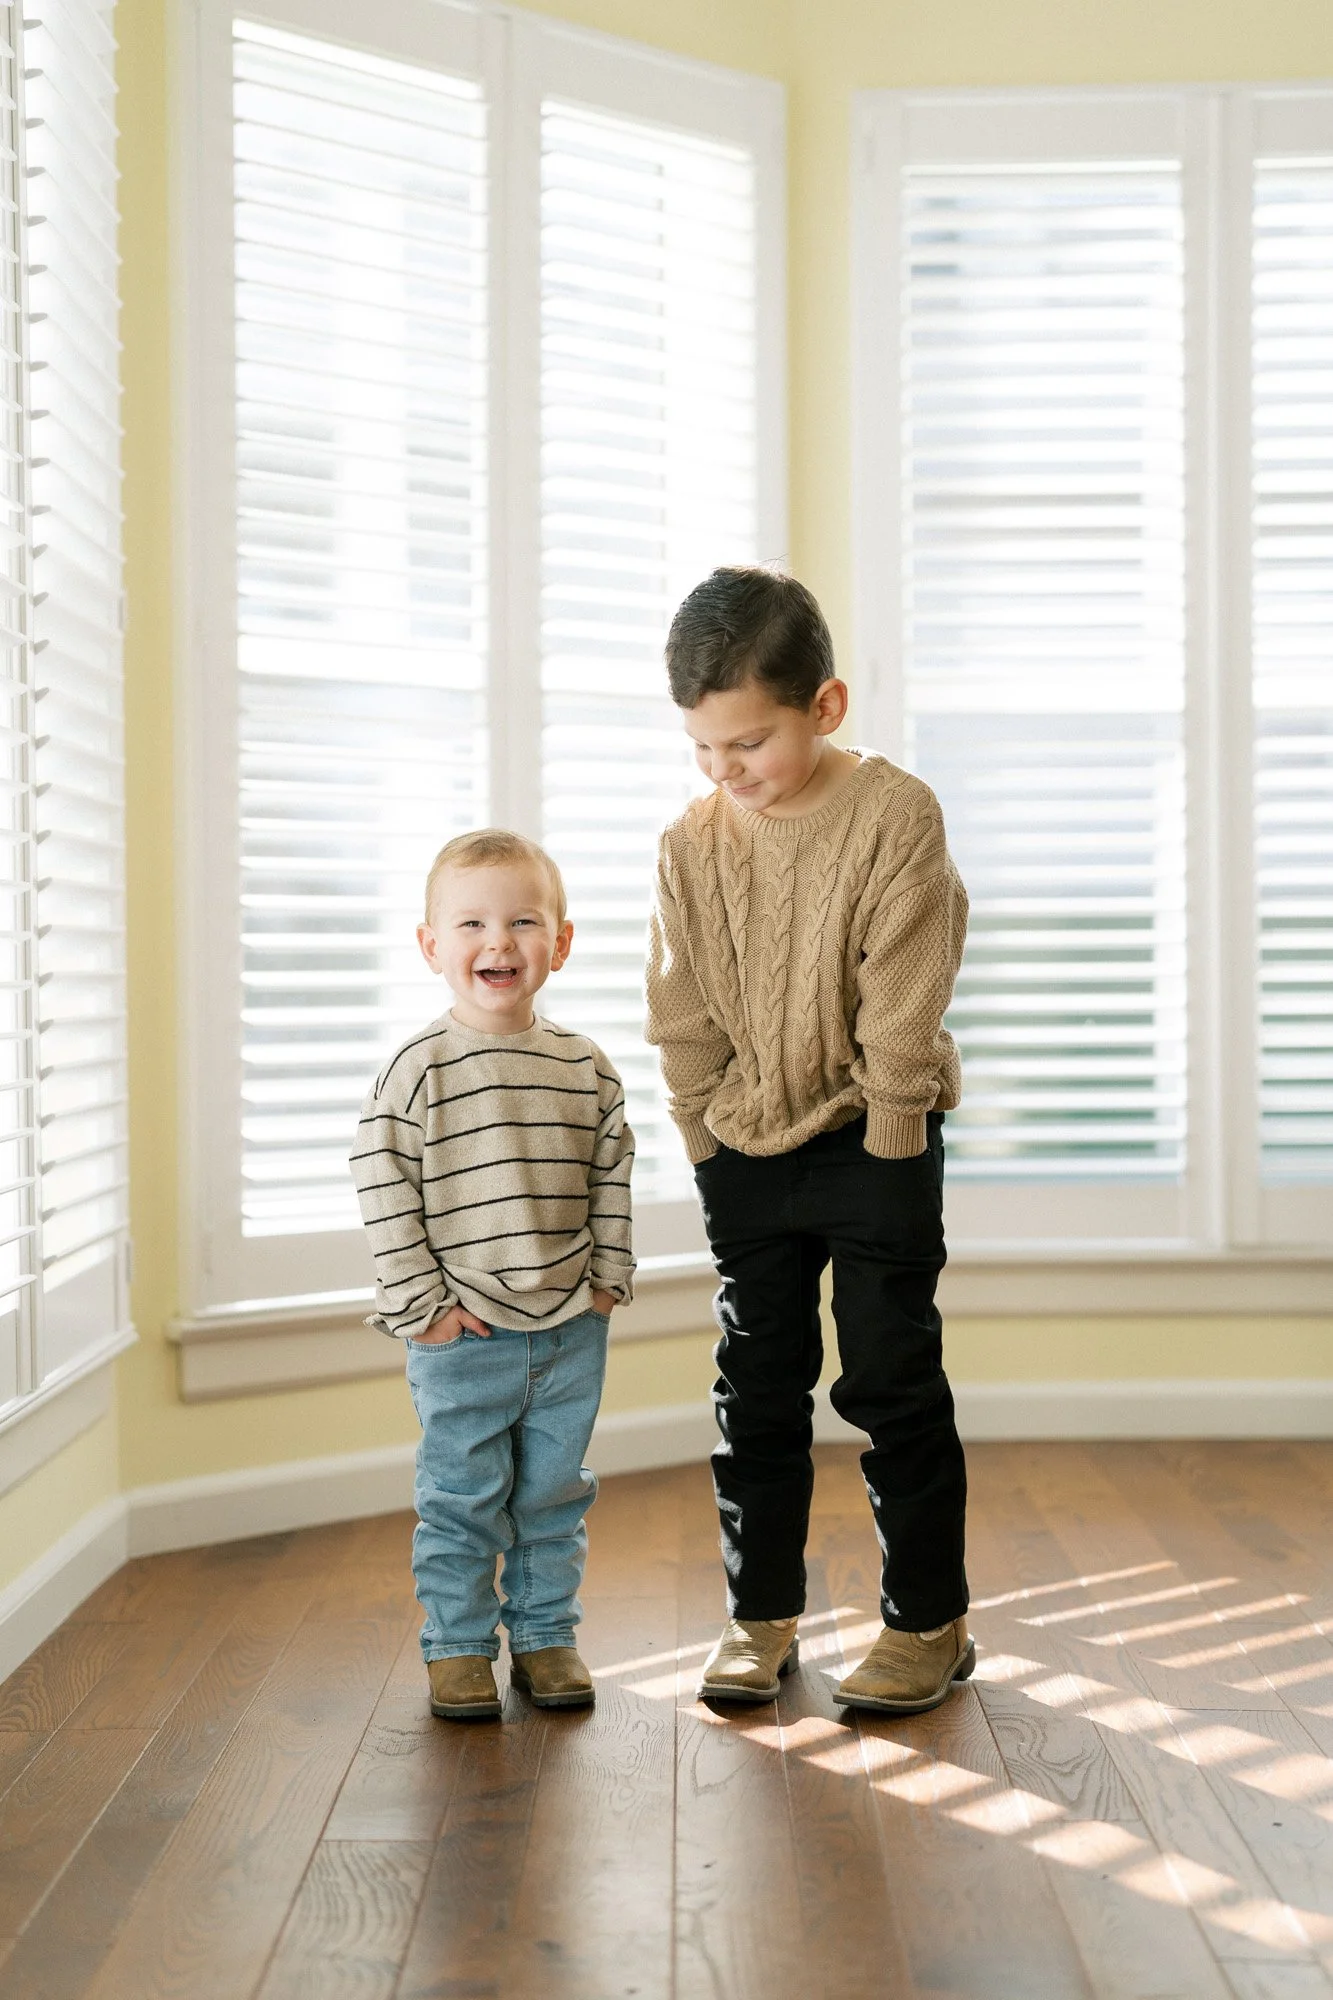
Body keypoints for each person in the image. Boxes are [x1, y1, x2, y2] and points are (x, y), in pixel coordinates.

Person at [645, 567, 972, 1714]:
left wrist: (892, 1135)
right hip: (745, 1149)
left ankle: (927, 1620)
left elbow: (906, 989)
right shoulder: (690, 842)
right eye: (702, 748)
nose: (724, 772)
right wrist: (700, 1138)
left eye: (747, 743)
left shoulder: (894, 813)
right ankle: (760, 1614)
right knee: (758, 1391)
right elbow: (681, 1004)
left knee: (890, 1381)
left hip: (872, 1138)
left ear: (823, 708)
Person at [351, 829, 634, 1720]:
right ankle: (459, 1647)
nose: (498, 942)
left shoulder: (583, 1067)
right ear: (432, 945)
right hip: (462, 1334)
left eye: (522, 921)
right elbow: (383, 1186)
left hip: (567, 1329)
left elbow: (610, 1173)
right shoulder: (419, 1068)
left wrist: (605, 1282)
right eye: (470, 923)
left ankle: (546, 1638)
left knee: (553, 1497)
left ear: (561, 940)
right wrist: (421, 1309)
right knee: (462, 1501)